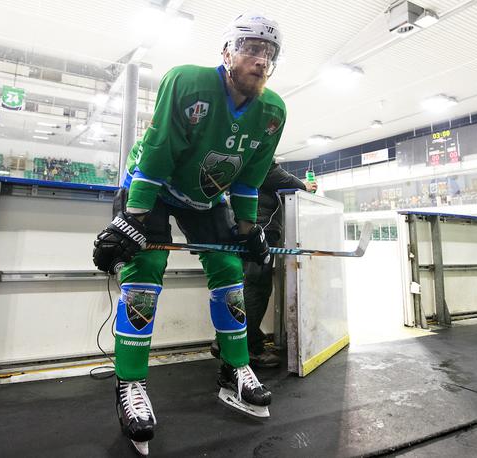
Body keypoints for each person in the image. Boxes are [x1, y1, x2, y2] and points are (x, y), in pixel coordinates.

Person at [92, 12, 285, 455]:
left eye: (269, 53)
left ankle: (235, 369)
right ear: (227, 52)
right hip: (153, 184)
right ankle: (131, 383)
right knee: (145, 268)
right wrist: (134, 220)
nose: (261, 59)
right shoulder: (187, 82)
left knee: (228, 265)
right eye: (252, 48)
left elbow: (249, 177)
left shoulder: (273, 111)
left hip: (204, 194)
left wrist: (247, 230)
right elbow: (158, 153)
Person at [210, 162, 317, 367]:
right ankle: (249, 348)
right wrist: (304, 186)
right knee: (256, 287)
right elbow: (280, 177)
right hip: (259, 229)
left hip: (246, 225)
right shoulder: (260, 153)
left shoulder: (239, 153)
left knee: (242, 286)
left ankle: (225, 340)